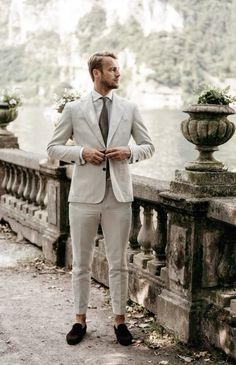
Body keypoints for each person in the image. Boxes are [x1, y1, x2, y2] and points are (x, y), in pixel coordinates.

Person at [47, 51, 155, 346]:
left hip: (119, 196)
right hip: (83, 197)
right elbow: (53, 147)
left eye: (118, 69)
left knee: (118, 262)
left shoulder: (129, 108)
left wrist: (128, 152)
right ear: (97, 72)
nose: (118, 74)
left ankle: (120, 320)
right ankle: (79, 319)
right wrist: (81, 153)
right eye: (112, 69)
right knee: (81, 263)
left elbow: (148, 146)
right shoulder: (73, 109)